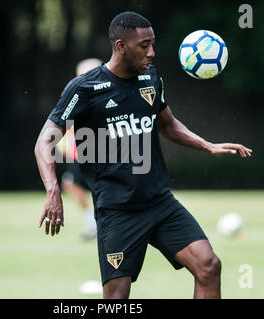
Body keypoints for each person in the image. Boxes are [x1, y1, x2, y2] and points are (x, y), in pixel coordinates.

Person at [34, 11, 252, 299]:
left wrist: (207, 145)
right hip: (118, 209)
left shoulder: (150, 79)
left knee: (209, 266)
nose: (152, 52)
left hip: (160, 201)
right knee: (117, 296)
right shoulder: (85, 87)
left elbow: (168, 124)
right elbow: (44, 141)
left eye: (153, 44)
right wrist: (52, 192)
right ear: (121, 46)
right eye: (144, 45)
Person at [58, 58, 102, 239]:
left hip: (96, 153)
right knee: (71, 184)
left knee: (84, 186)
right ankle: (94, 222)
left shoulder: (99, 96)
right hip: (81, 152)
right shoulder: (78, 95)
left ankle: (96, 223)